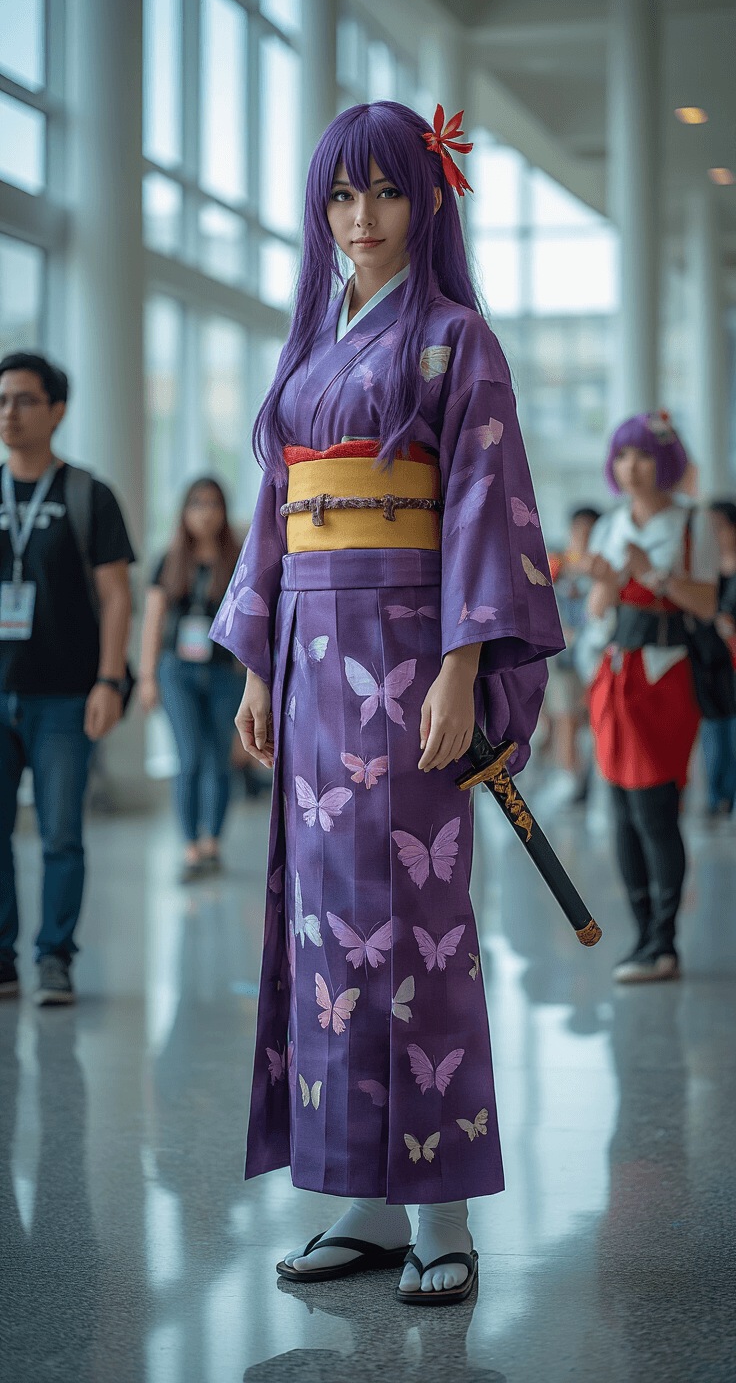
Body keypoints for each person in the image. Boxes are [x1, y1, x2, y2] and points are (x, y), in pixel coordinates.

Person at [210, 101, 564, 1303]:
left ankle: (443, 1216)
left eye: (387, 195)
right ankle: (363, 1192)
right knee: (327, 930)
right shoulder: (311, 345)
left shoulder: (455, 341)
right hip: (315, 667)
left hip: (411, 667)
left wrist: (466, 666)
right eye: (341, 198)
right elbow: (276, 515)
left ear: (429, 202)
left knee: (417, 923)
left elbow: (480, 505)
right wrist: (259, 662)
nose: (361, 222)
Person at [0, 352, 135, 1004]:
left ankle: (54, 955)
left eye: (24, 400)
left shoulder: (87, 494)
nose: (9, 413)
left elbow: (117, 597)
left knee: (59, 833)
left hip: (64, 695)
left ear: (56, 410)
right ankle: (1, 957)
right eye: (2, 401)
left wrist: (109, 681)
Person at [584, 411, 717, 984]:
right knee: (619, 810)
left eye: (640, 455)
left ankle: (663, 943)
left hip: (666, 678)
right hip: (615, 675)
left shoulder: (695, 524)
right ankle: (642, 936)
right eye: (621, 456)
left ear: (664, 462)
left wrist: (652, 576)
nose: (629, 467)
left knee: (655, 810)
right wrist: (603, 586)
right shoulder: (610, 523)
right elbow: (598, 610)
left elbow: (708, 604)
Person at [139, 477, 244, 881]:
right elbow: (153, 621)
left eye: (214, 504)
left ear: (223, 511)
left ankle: (211, 844)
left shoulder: (238, 561)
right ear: (184, 512)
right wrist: (147, 677)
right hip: (177, 673)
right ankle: (188, 847)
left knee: (219, 759)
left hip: (224, 673)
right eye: (197, 504)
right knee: (189, 758)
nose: (205, 512)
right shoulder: (168, 561)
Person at [545, 506, 600, 801]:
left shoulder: (602, 565)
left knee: (592, 716)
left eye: (590, 530)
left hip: (594, 656)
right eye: (579, 530)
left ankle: (590, 778)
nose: (584, 536)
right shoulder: (557, 564)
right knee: (565, 715)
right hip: (564, 656)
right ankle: (569, 778)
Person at [701, 499, 736, 816]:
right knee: (714, 732)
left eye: (718, 526)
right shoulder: (704, 572)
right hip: (712, 665)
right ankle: (717, 797)